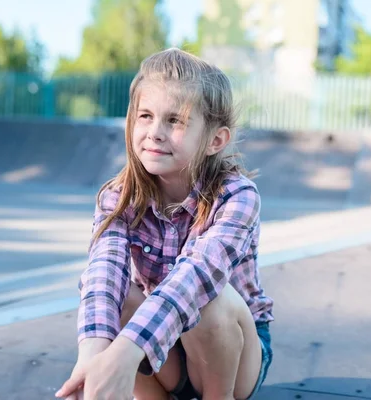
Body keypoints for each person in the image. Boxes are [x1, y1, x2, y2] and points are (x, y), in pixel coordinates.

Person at [56, 48, 274, 400]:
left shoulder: (236, 196)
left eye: (174, 121)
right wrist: (93, 355)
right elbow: (103, 272)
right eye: (145, 115)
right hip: (163, 347)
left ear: (215, 140)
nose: (155, 132)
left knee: (211, 300)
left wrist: (126, 349)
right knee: (117, 294)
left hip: (234, 354)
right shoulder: (118, 197)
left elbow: (196, 277)